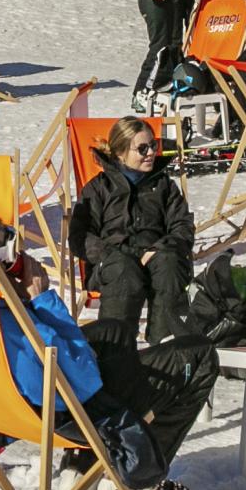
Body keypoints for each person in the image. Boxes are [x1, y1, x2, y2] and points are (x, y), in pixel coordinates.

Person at [0, 211, 210, 490]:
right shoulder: (11, 326)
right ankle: (133, 483)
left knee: (112, 332)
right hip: (60, 414)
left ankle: (80, 467)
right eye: (11, 252)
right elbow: (80, 381)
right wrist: (41, 298)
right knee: (199, 355)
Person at [67, 116, 195, 343]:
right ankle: (114, 349)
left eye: (153, 146)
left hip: (155, 257)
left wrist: (159, 248)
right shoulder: (99, 188)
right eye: (142, 148)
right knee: (123, 269)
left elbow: (182, 226)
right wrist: (108, 254)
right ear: (120, 153)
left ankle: (163, 346)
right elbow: (79, 236)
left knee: (169, 262)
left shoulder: (163, 184)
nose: (150, 153)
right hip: (113, 262)